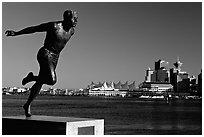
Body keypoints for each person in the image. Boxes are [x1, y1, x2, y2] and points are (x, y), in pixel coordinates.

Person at [5, 10, 78, 117]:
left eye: (77, 19)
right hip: (45, 53)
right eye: (74, 18)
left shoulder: (72, 31)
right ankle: (31, 78)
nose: (76, 21)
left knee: (40, 83)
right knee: (52, 80)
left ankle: (27, 104)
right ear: (66, 18)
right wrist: (16, 33)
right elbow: (34, 29)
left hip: (55, 57)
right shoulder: (54, 26)